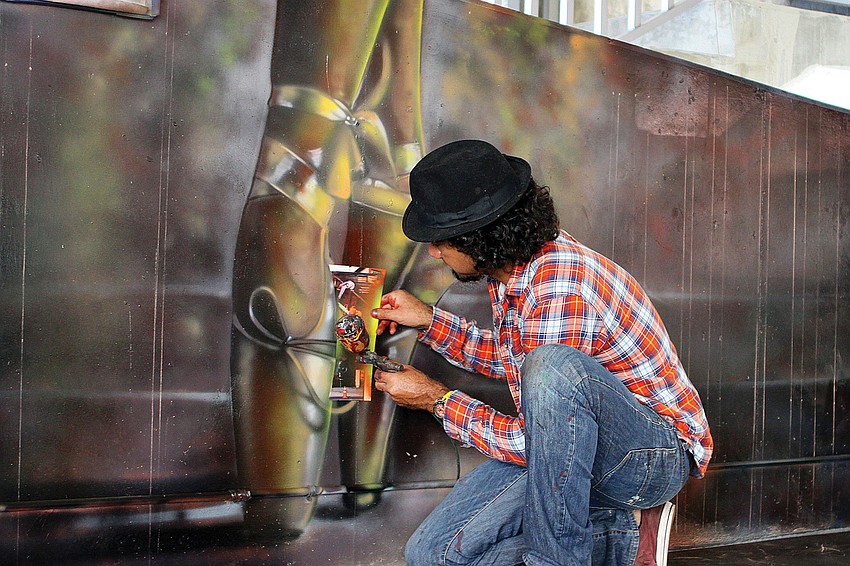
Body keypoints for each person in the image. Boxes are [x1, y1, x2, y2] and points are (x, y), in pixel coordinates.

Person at [370, 139, 713, 566]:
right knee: (430, 555)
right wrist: (429, 321)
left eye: (441, 240)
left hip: (648, 459)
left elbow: (538, 435)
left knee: (551, 367)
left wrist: (437, 400)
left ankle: (560, 559)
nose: (434, 251)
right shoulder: (510, 269)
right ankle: (622, 536)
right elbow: (517, 364)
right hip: (569, 445)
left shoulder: (559, 285)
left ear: (479, 238)